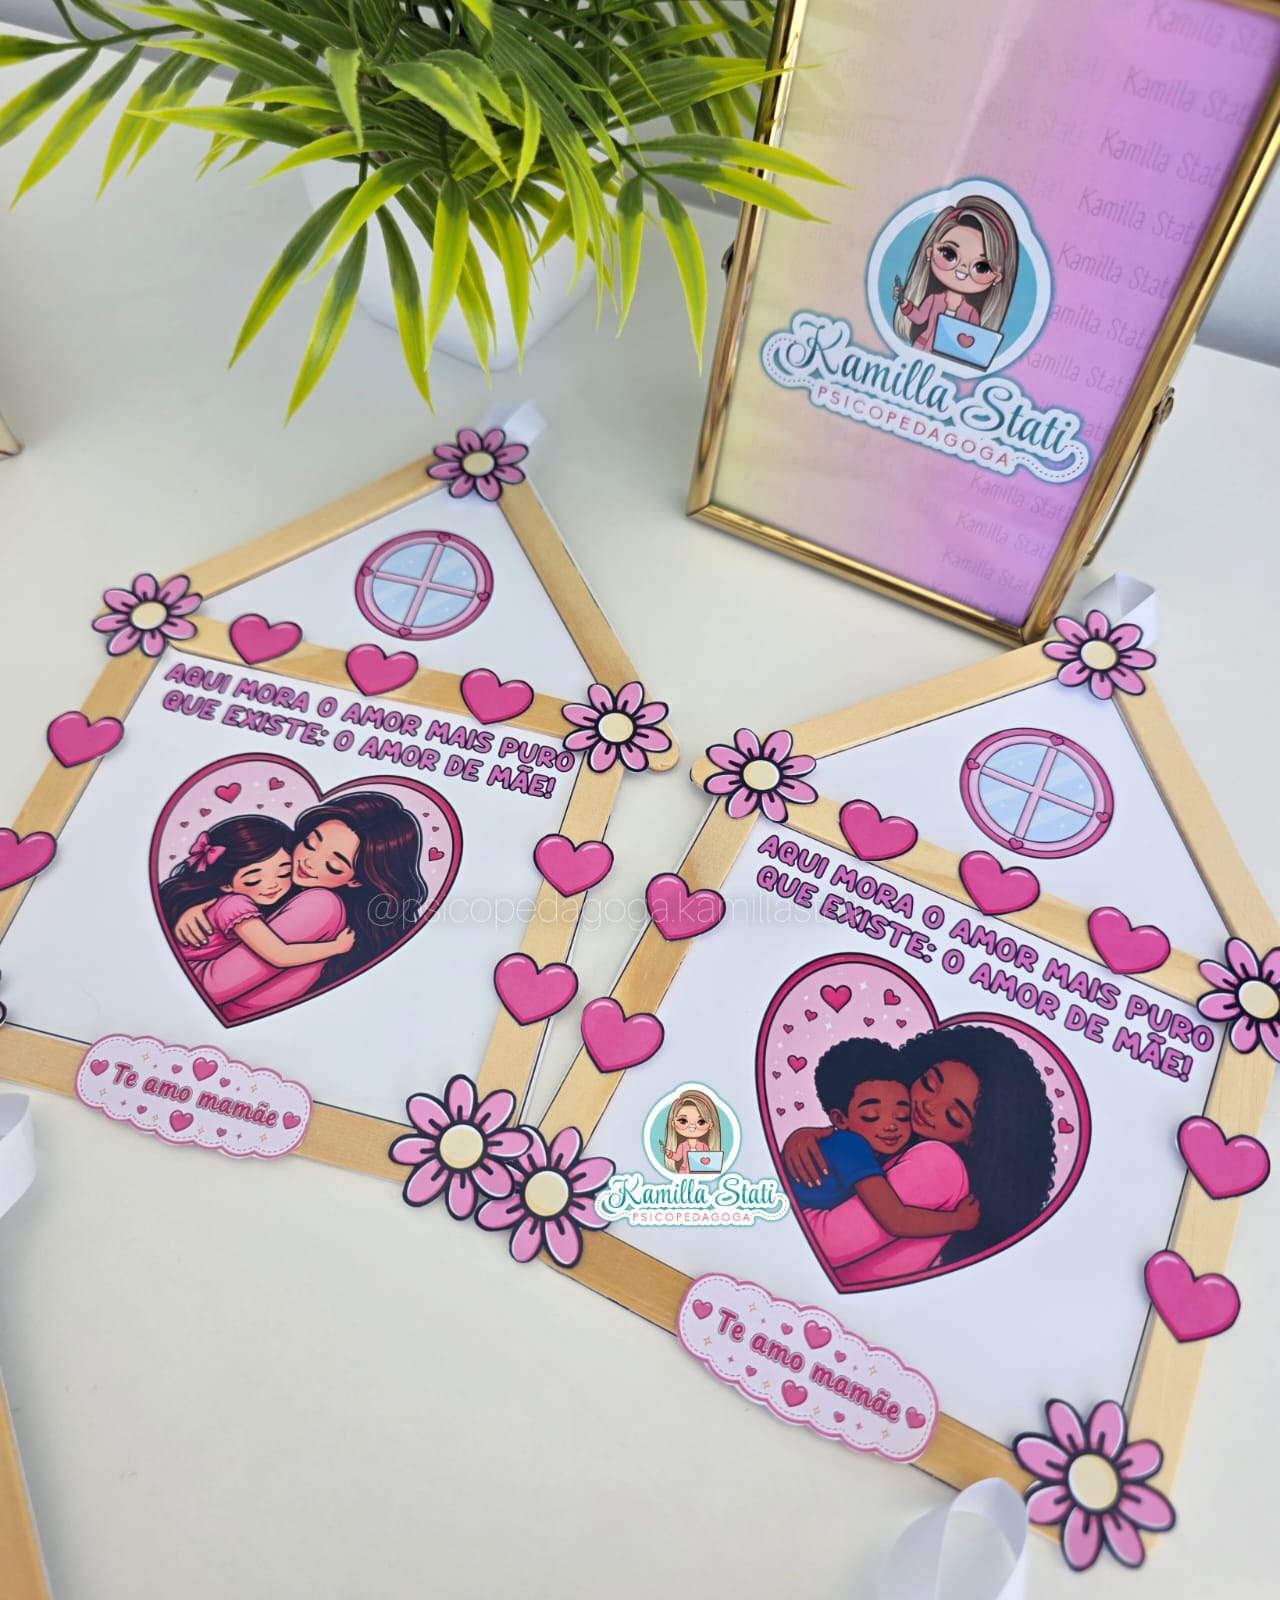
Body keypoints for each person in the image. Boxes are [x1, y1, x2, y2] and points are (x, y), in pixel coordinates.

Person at [784, 1025, 1056, 1284]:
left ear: (976, 1137)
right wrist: (813, 1137)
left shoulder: (936, 1161)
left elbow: (828, 1241)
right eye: (928, 1084)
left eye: (953, 1115)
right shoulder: (890, 1147)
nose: (928, 1106)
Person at [170, 793, 428, 1020]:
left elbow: (214, 985)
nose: (308, 863)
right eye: (310, 844)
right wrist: (200, 905)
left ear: (356, 879)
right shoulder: (276, 884)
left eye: (332, 866)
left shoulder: (320, 904)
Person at [795, 1037, 979, 1241]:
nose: (891, 1126)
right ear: (839, 1118)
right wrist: (959, 1220)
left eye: (901, 1115)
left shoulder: (897, 1151)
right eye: (928, 1084)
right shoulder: (852, 1145)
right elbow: (896, 1220)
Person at [160, 818, 355, 994]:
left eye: (284, 874)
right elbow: (280, 954)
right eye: (253, 880)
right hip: (188, 979)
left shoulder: (248, 901)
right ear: (226, 884)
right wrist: (336, 947)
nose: (272, 885)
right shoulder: (236, 904)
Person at [892, 195, 1019, 354]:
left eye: (982, 267)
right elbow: (919, 318)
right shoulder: (933, 299)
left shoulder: (971, 312)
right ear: (930, 252)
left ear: (997, 277)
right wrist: (904, 302)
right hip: (922, 349)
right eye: (949, 254)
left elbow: (972, 340)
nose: (962, 269)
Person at [662, 1090, 722, 1175]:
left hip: (700, 1173)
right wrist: (668, 1152)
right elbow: (677, 1157)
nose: (692, 1127)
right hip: (684, 1172)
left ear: (710, 1124)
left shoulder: (704, 1146)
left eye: (701, 1122)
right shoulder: (682, 1146)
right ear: (673, 1123)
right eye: (683, 1121)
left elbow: (709, 1160)